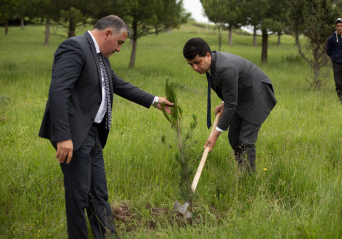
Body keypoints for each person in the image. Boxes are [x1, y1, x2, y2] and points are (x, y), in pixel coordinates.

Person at [39, 15, 173, 239]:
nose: (120, 49)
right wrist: (63, 136)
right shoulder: (74, 47)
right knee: (78, 196)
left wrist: (154, 100)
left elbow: (117, 84)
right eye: (120, 42)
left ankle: (108, 236)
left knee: (99, 193)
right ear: (107, 33)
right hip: (73, 135)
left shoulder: (100, 57)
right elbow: (58, 92)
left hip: (93, 133)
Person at [183, 37, 277, 174]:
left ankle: (248, 179)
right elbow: (229, 89)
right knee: (234, 137)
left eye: (197, 62)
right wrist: (224, 102)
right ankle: (242, 171)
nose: (195, 68)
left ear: (208, 55)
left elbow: (232, 105)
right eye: (191, 64)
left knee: (245, 141)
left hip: (257, 95)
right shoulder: (211, 64)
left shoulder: (225, 68)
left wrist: (214, 135)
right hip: (241, 96)